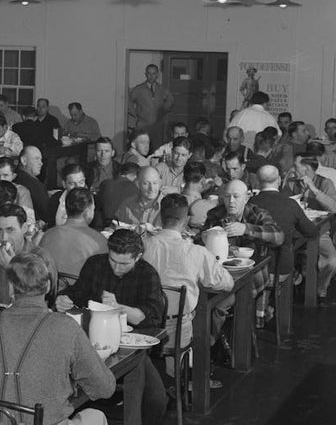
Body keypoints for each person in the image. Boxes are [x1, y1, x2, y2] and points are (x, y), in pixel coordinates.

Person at [0, 253, 113, 425]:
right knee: (96, 416)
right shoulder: (65, 326)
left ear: (11, 288)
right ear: (49, 286)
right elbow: (105, 388)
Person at [56, 229, 168, 425]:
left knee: (157, 399)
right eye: (113, 260)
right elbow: (78, 292)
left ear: (138, 257)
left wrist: (119, 308)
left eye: (124, 264)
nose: (116, 268)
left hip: (131, 345)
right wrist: (64, 298)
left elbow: (152, 316)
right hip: (93, 342)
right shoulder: (95, 264)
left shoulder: (147, 274)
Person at [143, 194, 233, 359]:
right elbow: (227, 283)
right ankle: (187, 377)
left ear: (160, 217)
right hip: (177, 328)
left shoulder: (143, 245)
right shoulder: (196, 252)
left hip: (143, 324)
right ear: (185, 221)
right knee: (196, 314)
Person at [249, 165, 320, 322]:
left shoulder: (250, 203)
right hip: (281, 268)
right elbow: (312, 232)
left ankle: (263, 310)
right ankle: (270, 309)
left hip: (255, 269)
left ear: (257, 182)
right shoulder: (290, 204)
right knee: (295, 270)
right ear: (280, 180)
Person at [200, 180, 284, 307]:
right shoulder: (216, 214)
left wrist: (246, 229)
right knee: (198, 295)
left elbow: (279, 236)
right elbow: (200, 239)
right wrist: (204, 237)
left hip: (252, 274)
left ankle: (222, 324)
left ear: (246, 198)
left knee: (218, 304)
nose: (231, 201)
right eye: (227, 196)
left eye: (236, 196)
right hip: (220, 272)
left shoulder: (257, 214)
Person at [280, 154, 336, 304]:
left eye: (296, 167)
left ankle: (320, 290)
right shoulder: (292, 183)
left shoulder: (325, 183)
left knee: (331, 261)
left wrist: (314, 190)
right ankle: (292, 282)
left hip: (319, 231)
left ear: (306, 169)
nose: (293, 169)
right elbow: (282, 203)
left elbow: (334, 207)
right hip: (294, 231)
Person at [0, 204, 53, 306]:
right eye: (0, 230)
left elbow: (42, 302)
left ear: (24, 228)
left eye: (10, 230)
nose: (4, 238)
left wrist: (11, 268)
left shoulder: (41, 258)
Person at [39, 188, 108, 279]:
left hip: (51, 289)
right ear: (87, 212)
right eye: (93, 209)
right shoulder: (99, 241)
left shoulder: (47, 235)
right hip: (82, 291)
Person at [128, 63, 174, 147]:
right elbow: (128, 102)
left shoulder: (162, 89)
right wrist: (134, 117)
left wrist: (163, 110)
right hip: (143, 126)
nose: (151, 76)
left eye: (154, 73)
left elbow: (170, 100)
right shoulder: (139, 89)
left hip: (158, 127)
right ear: (145, 74)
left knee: (156, 149)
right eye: (149, 73)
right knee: (142, 148)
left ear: (157, 75)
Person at [95, 161, 140, 228]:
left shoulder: (105, 183)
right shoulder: (133, 188)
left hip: (101, 224)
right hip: (121, 226)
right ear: (135, 176)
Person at [15, 146, 49, 224]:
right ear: (23, 160)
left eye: (41, 159)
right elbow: (46, 214)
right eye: (36, 159)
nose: (41, 163)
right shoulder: (35, 184)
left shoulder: (13, 176)